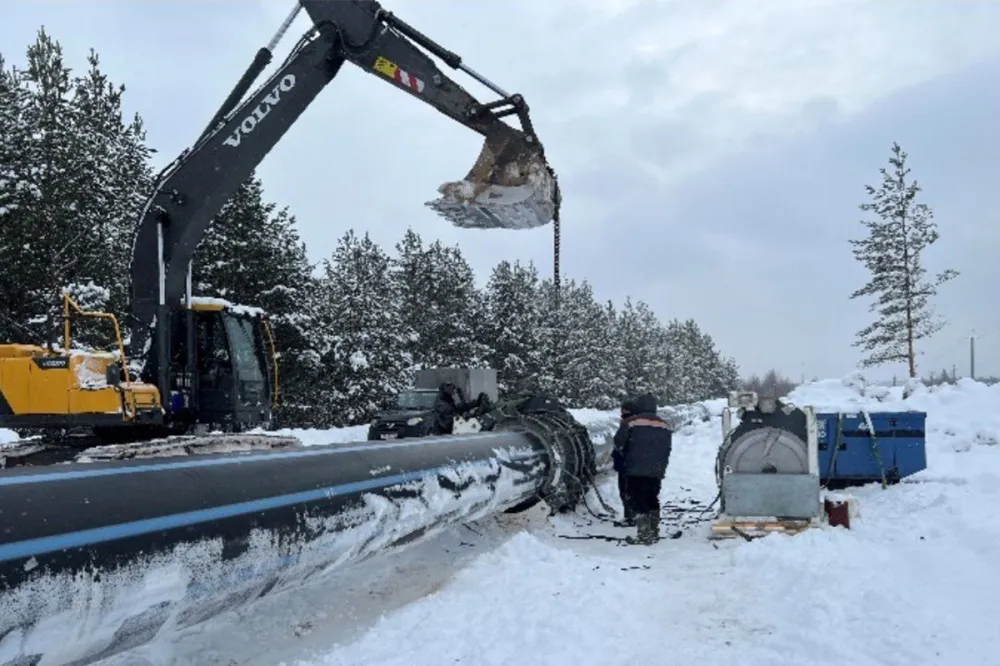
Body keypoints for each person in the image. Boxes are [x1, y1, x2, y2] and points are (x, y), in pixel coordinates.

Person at [612, 392, 673, 545]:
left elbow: (618, 443)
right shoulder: (664, 424)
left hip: (635, 469)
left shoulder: (631, 422)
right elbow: (667, 448)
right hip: (656, 469)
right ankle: (654, 530)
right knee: (652, 497)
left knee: (638, 499)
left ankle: (644, 534)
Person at [612, 400, 638, 527]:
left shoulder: (626, 423)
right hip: (640, 464)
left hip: (626, 464)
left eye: (624, 410)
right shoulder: (641, 423)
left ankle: (630, 517)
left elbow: (619, 442)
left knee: (626, 491)